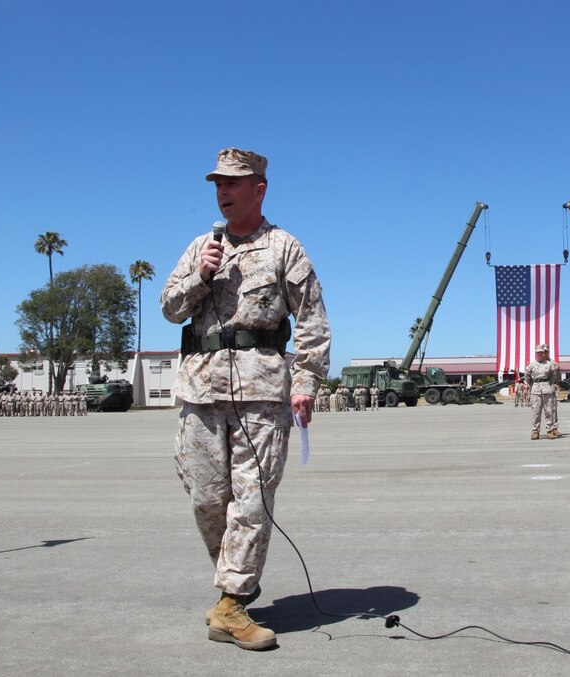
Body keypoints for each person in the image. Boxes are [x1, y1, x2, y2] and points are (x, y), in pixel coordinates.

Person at [160, 148, 331, 651]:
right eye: (218, 183)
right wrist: (201, 275)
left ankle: (231, 602)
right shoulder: (200, 247)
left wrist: (306, 383)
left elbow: (314, 321)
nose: (222, 192)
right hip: (201, 392)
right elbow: (171, 308)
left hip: (261, 395)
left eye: (233, 184)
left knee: (252, 501)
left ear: (259, 189)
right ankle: (236, 579)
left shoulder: (284, 248)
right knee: (207, 499)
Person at [524, 344, 561, 440]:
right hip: (535, 389)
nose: (539, 354)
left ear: (544, 354)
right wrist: (531, 386)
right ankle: (535, 431)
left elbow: (554, 376)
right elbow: (527, 377)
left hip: (547, 389)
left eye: (541, 352)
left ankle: (549, 430)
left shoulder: (550, 365)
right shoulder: (531, 365)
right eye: (537, 353)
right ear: (535, 354)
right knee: (536, 412)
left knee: (549, 411)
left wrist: (549, 384)